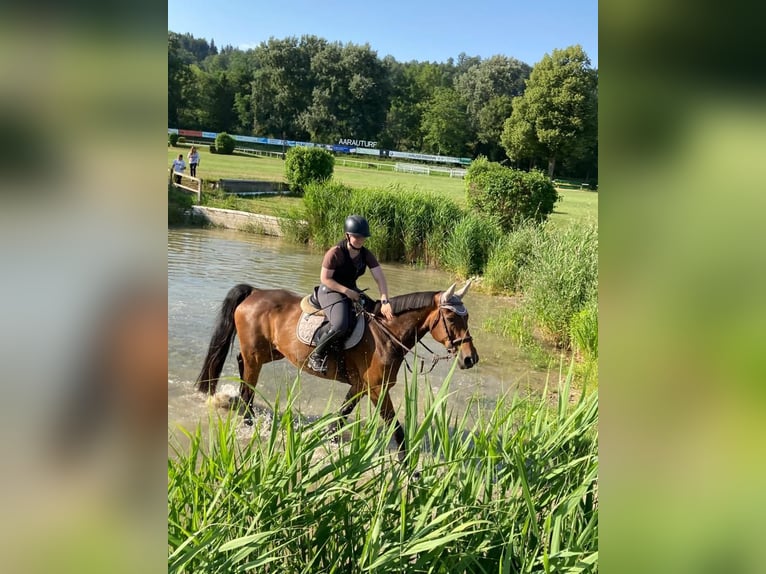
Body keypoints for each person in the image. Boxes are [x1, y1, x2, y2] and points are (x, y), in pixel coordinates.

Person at [308, 214, 395, 373]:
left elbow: (379, 277)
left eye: (363, 237)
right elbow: (325, 279)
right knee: (341, 324)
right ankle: (317, 355)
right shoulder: (335, 253)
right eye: (357, 237)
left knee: (374, 314)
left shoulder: (366, 254)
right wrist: (347, 292)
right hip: (330, 290)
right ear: (347, 235)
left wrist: (384, 300)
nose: (361, 240)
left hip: (351, 290)